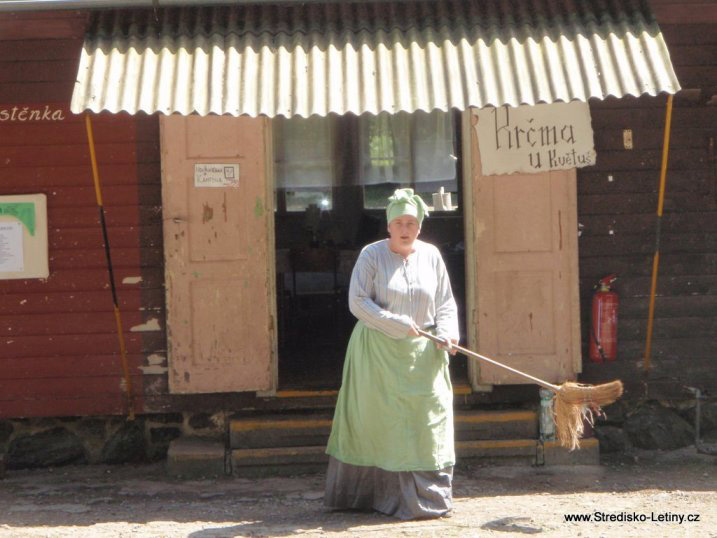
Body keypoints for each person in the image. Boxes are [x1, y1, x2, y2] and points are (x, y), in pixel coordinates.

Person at [325, 188, 460, 520]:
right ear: (388, 226)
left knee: (426, 422)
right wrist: (396, 323)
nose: (405, 229)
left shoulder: (431, 255)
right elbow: (358, 302)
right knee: (381, 423)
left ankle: (426, 499)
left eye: (411, 223)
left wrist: (447, 332)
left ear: (419, 227)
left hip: (424, 355)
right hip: (378, 354)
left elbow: (444, 302)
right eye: (399, 222)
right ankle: (373, 496)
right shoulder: (371, 255)